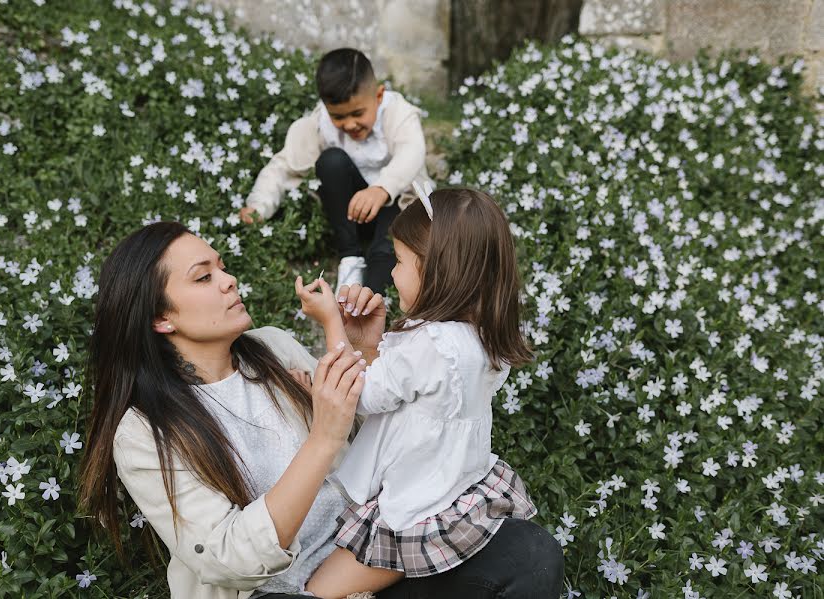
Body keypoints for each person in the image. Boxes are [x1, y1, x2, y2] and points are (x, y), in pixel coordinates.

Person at [79, 221, 563, 599]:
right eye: (204, 277)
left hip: (367, 560)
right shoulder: (144, 432)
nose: (229, 281)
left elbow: (378, 439)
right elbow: (229, 558)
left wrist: (366, 350)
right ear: (160, 317)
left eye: (221, 266)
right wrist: (322, 439)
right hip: (276, 592)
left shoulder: (272, 347)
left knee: (529, 553)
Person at [296, 186, 558, 599]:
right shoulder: (485, 338)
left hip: (410, 511)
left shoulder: (432, 345)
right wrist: (370, 346)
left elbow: (357, 397)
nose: (393, 273)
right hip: (454, 496)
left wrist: (332, 324)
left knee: (315, 591)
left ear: (438, 271)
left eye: (399, 261)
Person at [241, 48, 433, 295]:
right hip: (350, 215)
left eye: (357, 113)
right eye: (338, 117)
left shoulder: (398, 113)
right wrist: (258, 206)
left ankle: (373, 288)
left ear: (378, 95)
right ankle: (350, 256)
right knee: (331, 162)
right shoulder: (319, 125)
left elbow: (413, 152)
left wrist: (382, 189)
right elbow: (283, 166)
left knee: (384, 253)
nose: (349, 124)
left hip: (395, 206)